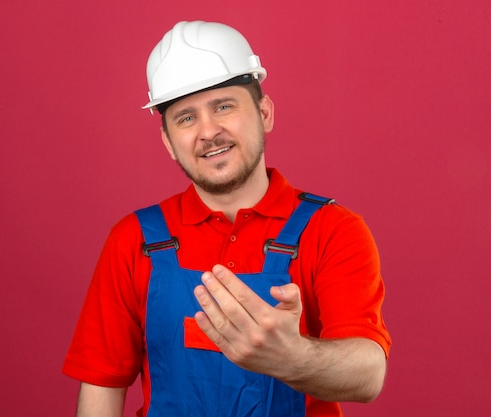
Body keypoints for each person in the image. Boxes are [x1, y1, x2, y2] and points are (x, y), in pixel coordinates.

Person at [63, 20, 391, 417]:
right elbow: (102, 390)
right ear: (168, 141)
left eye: (223, 106)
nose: (208, 131)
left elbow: (368, 375)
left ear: (264, 112)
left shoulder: (333, 230)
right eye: (186, 118)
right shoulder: (133, 240)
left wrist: (292, 358)